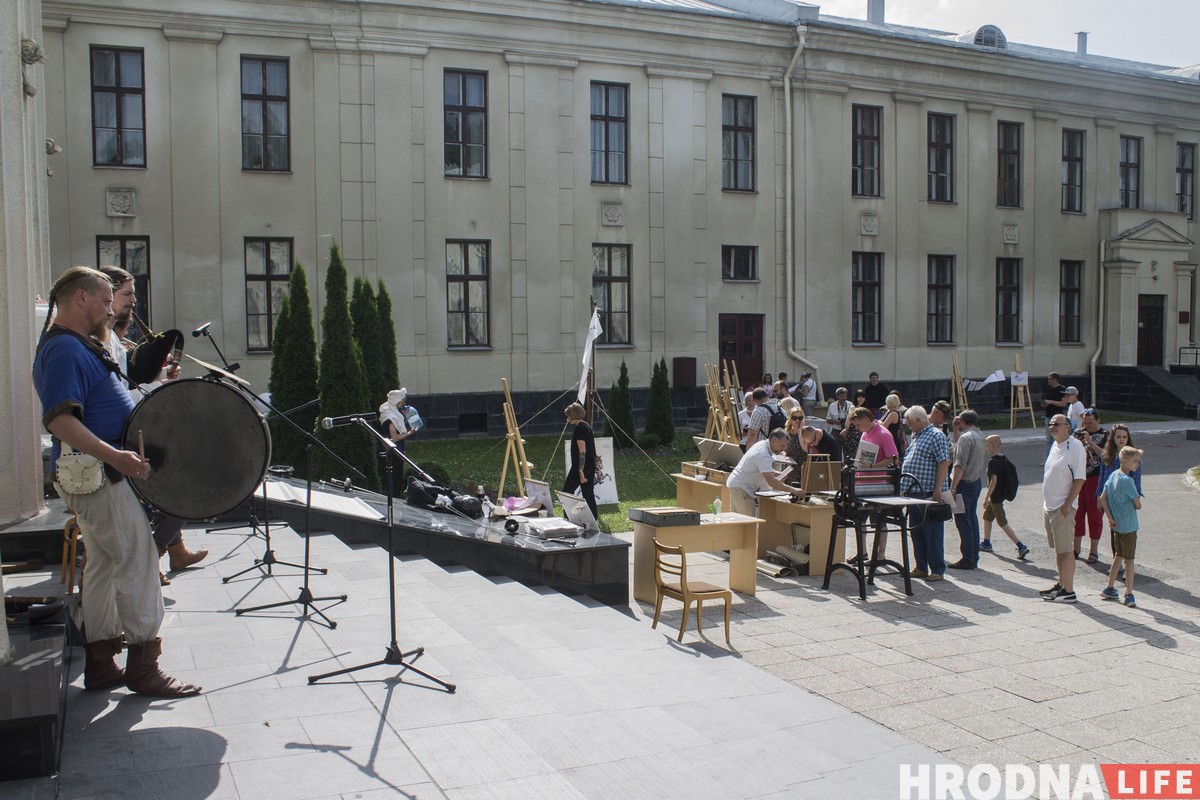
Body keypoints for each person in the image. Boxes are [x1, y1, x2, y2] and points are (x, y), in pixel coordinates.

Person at [34, 266, 200, 696]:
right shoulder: (65, 351)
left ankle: (102, 663)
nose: (112, 311)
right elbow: (60, 420)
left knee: (106, 565)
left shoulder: (80, 344)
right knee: (139, 559)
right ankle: (144, 667)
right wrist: (116, 457)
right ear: (80, 299)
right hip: (98, 473)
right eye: (106, 301)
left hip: (98, 471)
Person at [98, 266, 206, 586]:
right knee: (188, 483)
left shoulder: (118, 340)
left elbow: (129, 383)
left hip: (132, 431)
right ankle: (157, 550)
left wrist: (160, 376)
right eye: (127, 294)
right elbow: (120, 390)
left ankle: (174, 549)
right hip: (119, 441)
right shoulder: (99, 341)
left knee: (185, 475)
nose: (133, 300)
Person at [1041, 414, 1087, 603]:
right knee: (1059, 549)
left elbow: (1080, 478)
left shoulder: (1074, 446)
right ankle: (1061, 584)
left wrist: (1068, 504)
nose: (1053, 426)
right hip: (1050, 506)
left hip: (1063, 507)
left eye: (1057, 424)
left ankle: (1068, 591)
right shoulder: (1055, 445)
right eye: (1051, 424)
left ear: (1067, 427)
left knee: (1066, 550)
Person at [902, 406, 951, 582]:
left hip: (928, 492)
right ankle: (921, 567)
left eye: (909, 422)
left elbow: (944, 462)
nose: (908, 426)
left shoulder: (936, 435)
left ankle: (937, 569)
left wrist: (938, 489)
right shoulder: (917, 435)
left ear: (917, 420)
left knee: (932, 533)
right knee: (916, 532)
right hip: (914, 492)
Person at [1099, 446, 1143, 608]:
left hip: (1116, 525)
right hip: (1129, 526)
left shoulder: (1112, 476)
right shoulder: (1128, 481)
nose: (1137, 465)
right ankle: (1129, 593)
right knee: (1129, 560)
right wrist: (1136, 499)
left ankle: (1109, 587)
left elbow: (1102, 498)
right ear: (1125, 461)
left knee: (1118, 555)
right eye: (1135, 461)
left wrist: (1110, 517)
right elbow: (1137, 505)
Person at [726, 429, 804, 516]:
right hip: (741, 489)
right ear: (773, 441)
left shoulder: (763, 444)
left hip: (738, 486)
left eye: (785, 446)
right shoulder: (763, 454)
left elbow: (758, 468)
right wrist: (794, 490)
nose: (784, 449)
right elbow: (772, 483)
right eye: (782, 446)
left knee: (738, 522)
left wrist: (773, 472)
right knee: (746, 524)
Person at [980, 435, 1030, 559]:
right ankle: (986, 542)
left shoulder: (992, 462)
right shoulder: (1003, 459)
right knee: (987, 517)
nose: (986, 448)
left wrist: (986, 497)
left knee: (1002, 522)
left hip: (995, 497)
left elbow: (994, 481)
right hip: (999, 495)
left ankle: (1021, 546)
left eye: (987, 445)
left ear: (994, 446)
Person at [948, 410, 986, 569]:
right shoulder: (980, 435)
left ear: (964, 421)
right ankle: (973, 555)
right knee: (971, 519)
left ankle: (968, 558)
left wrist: (953, 487)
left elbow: (959, 464)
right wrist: (956, 428)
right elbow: (958, 448)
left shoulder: (966, 438)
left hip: (963, 484)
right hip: (975, 482)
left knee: (963, 522)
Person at [1073, 408, 1109, 563]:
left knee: (1094, 515)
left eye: (1090, 422)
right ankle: (1076, 548)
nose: (1086, 425)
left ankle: (1094, 550)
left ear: (1098, 421)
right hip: (1079, 478)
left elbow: (1105, 455)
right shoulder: (1078, 433)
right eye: (1085, 422)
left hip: (1096, 478)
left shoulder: (1106, 435)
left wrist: (1090, 441)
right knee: (1077, 513)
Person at [561, 402, 598, 520]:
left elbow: (582, 450)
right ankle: (593, 520)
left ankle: (567, 519)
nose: (567, 419)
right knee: (588, 495)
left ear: (573, 415)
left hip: (581, 467)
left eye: (568, 416)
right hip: (589, 465)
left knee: (566, 492)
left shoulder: (579, 429)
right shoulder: (586, 426)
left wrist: (581, 470)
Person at [380, 388, 416, 493]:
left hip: (397, 449)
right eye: (401, 400)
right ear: (396, 401)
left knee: (397, 478)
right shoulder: (390, 416)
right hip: (393, 451)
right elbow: (395, 437)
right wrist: (409, 433)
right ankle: (394, 500)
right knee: (396, 480)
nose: (403, 402)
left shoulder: (393, 412)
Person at [1042, 373, 1067, 456]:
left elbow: (1063, 403)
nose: (1048, 381)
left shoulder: (1062, 389)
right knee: (1048, 438)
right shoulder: (1048, 389)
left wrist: (1051, 402)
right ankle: (1048, 458)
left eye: (1050, 379)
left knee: (1057, 437)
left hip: (1058, 417)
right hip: (1048, 415)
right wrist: (1045, 403)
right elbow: (1045, 401)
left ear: (1055, 380)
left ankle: (1058, 455)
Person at [881, 393, 906, 457]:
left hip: (892, 438)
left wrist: (880, 423)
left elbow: (883, 426)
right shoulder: (889, 411)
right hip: (887, 438)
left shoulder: (893, 413)